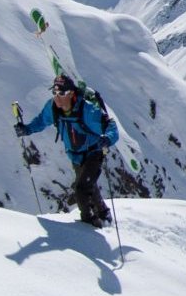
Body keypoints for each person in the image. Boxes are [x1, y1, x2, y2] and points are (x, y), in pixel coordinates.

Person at [15, 74, 119, 227]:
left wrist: (107, 139)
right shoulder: (53, 108)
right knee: (88, 184)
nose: (57, 97)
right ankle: (103, 213)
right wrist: (27, 129)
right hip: (75, 155)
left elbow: (110, 126)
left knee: (81, 188)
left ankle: (89, 224)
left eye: (61, 93)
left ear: (71, 93)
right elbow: (41, 121)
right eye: (55, 92)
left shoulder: (87, 110)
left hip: (93, 153)